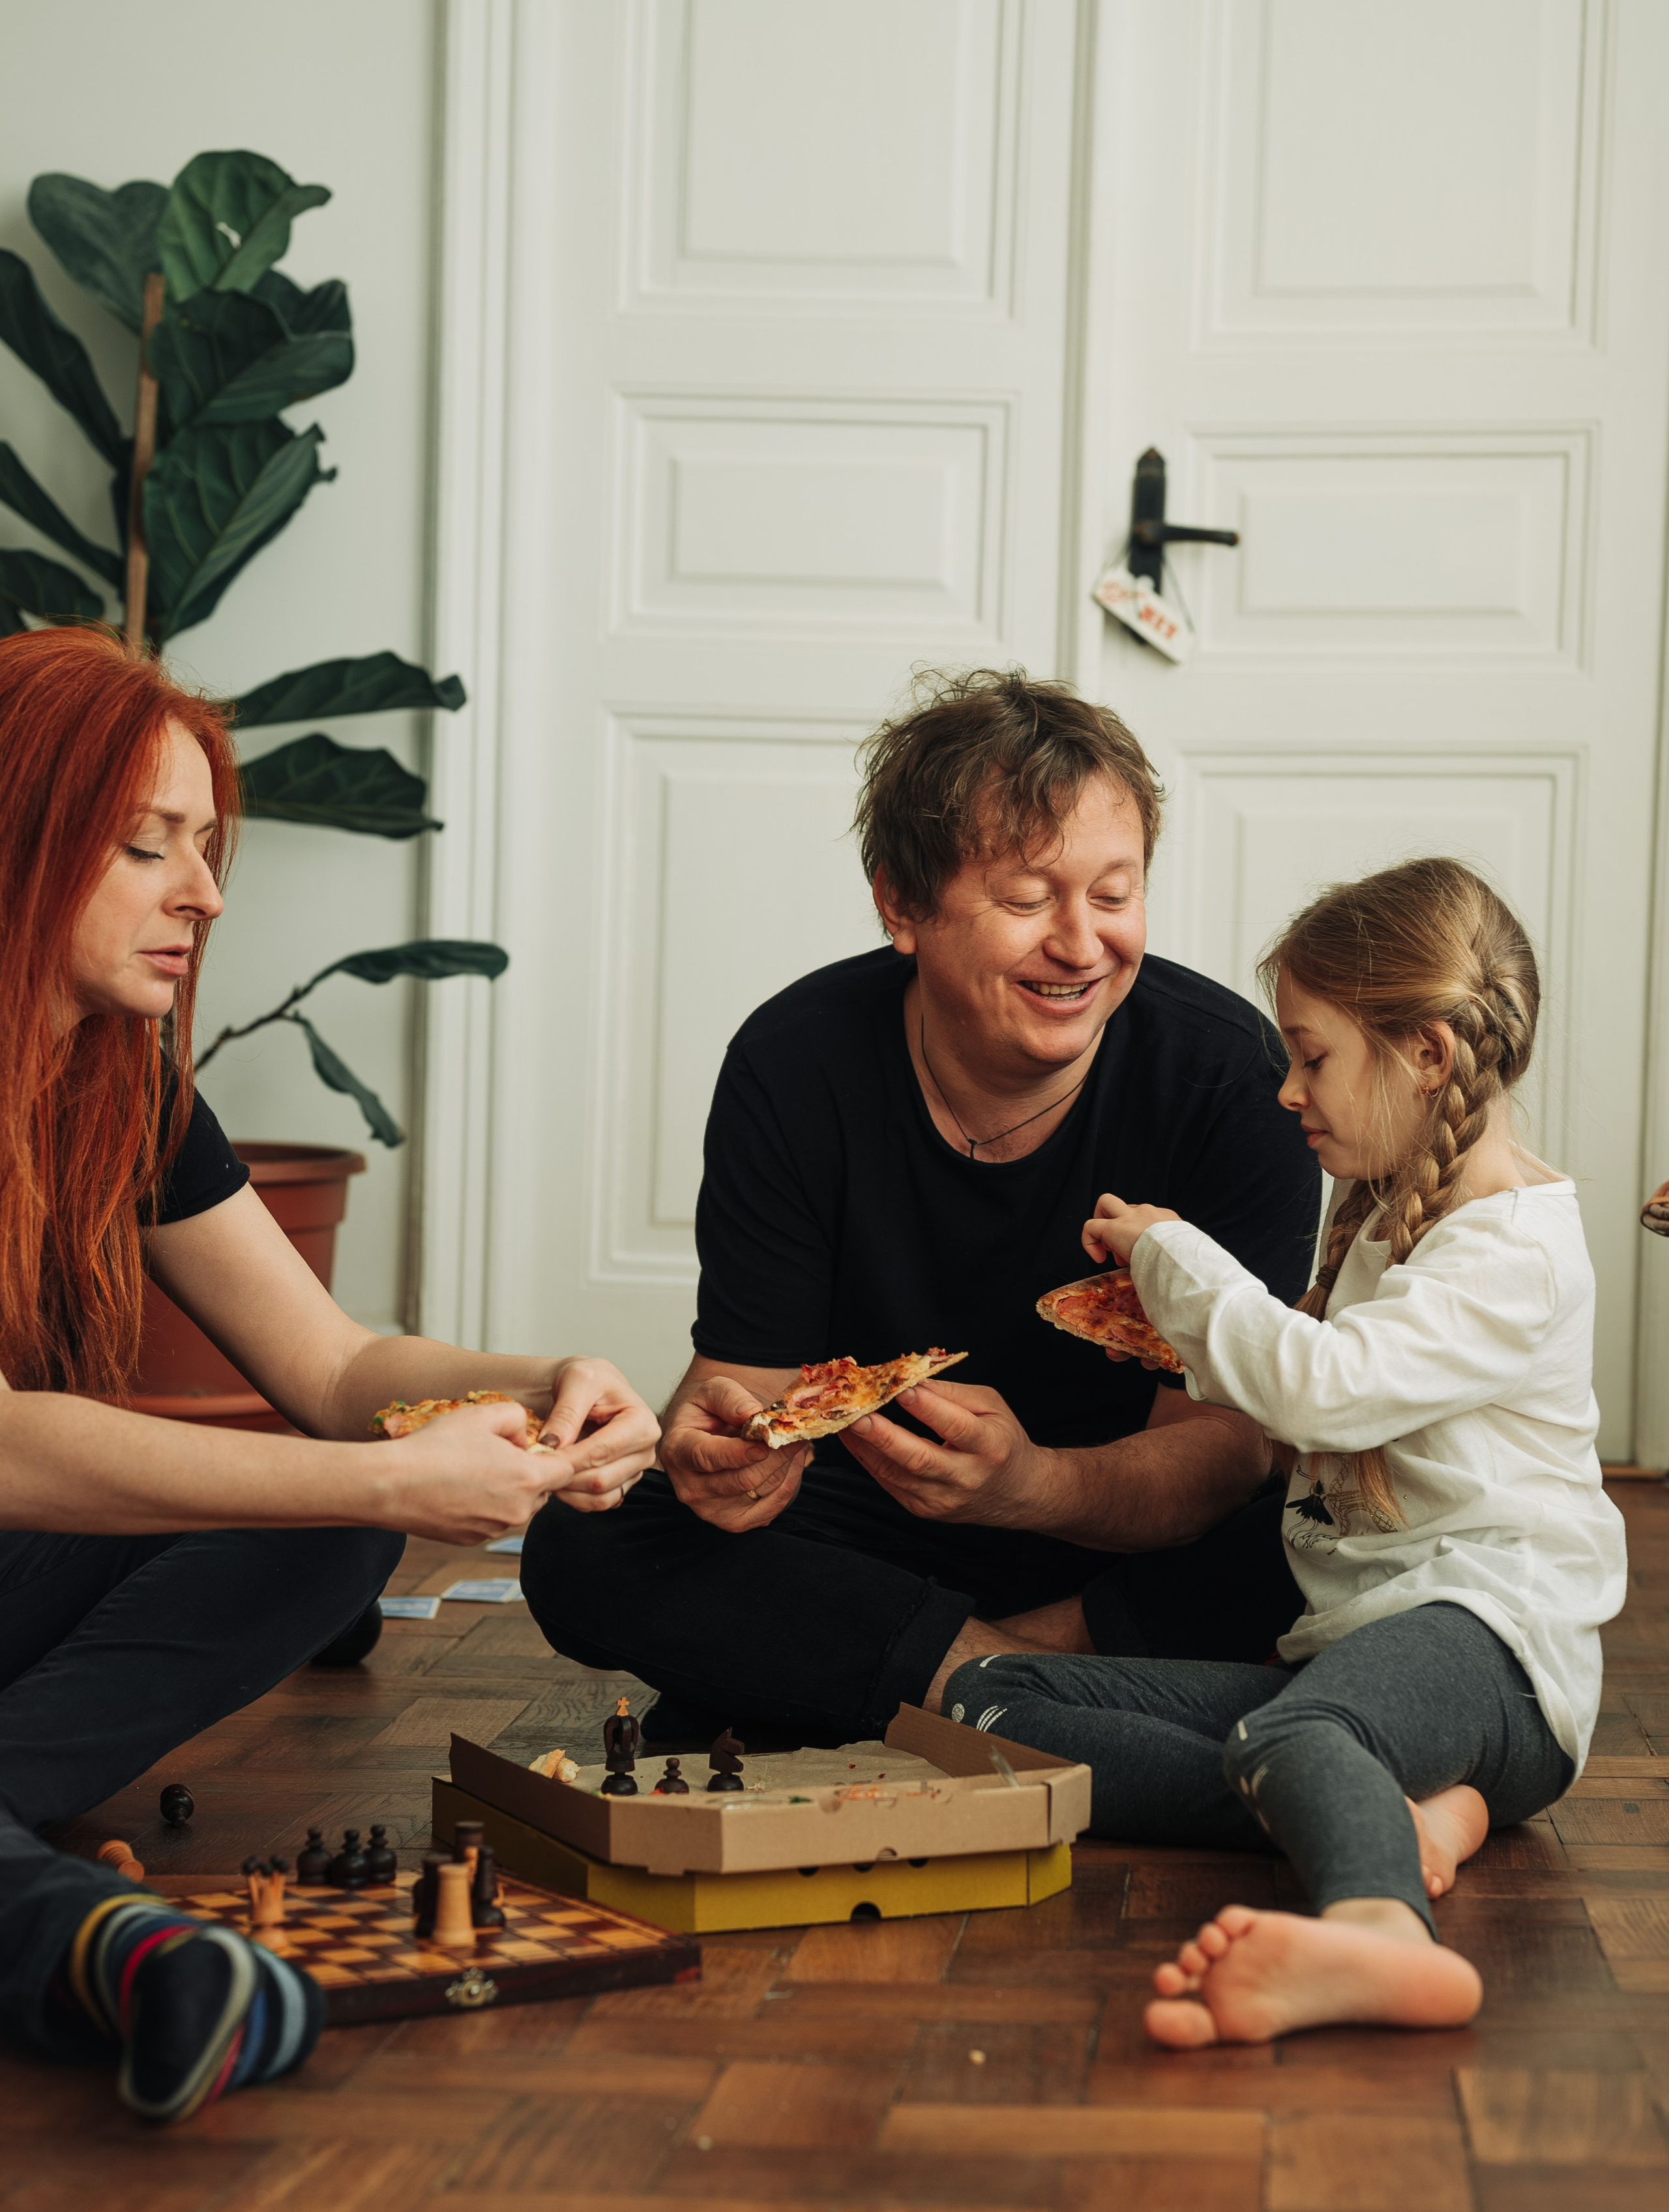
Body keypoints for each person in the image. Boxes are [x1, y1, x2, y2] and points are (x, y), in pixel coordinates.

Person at [0, 626, 658, 2123]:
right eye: (145, 845)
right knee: (355, 1493)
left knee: (337, 1524)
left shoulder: (127, 1088)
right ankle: (100, 1943)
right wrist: (385, 1467)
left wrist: (549, 1369)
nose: (206, 893)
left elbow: (339, 1363)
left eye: (209, 847)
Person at [523, 669, 1321, 1748]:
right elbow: (748, 1385)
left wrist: (1031, 1485)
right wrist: (720, 1458)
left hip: (1122, 1525)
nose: (1083, 945)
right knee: (587, 1540)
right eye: (1030, 900)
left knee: (1322, 1513)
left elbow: (1223, 1451)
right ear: (902, 903)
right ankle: (1006, 1690)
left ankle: (866, 1673)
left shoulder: (1234, 1082)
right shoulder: (794, 1061)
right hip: (875, 1518)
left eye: (1115, 894)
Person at [937, 858, 1625, 2044]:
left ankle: (1378, 1928)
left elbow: (1323, 1395)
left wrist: (1176, 1254)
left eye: (1312, 1057)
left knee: (1298, 1734)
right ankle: (1393, 1813)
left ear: (1426, 1056)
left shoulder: (1515, 1250)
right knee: (987, 1702)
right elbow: (1316, 1372)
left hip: (1493, 1658)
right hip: (1354, 1665)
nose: (1287, 1091)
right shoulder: (1387, 1212)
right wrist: (1189, 1344)